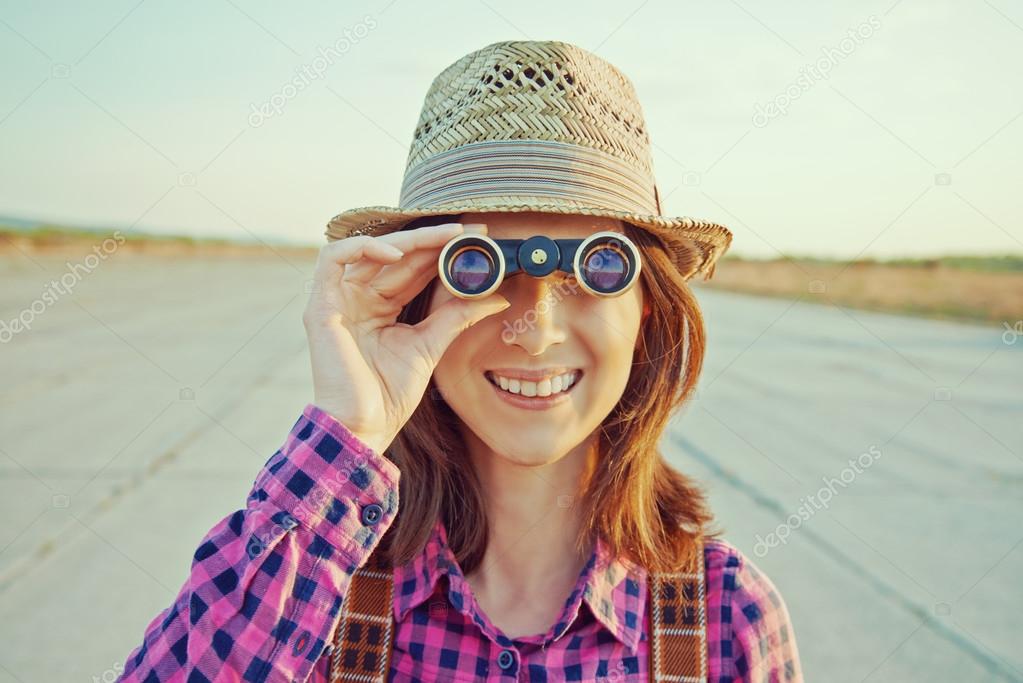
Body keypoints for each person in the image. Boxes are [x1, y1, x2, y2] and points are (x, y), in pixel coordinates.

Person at [117, 40, 802, 682]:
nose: (536, 333)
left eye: (595, 269)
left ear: (645, 309)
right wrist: (350, 428)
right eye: (481, 267)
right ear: (419, 295)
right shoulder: (312, 596)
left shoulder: (722, 621)